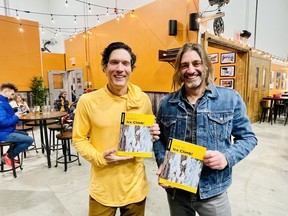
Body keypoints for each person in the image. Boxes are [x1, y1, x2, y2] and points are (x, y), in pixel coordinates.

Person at [153, 43, 257, 216]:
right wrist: (162, 162)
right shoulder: (166, 103)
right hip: (177, 191)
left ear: (207, 66)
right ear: (179, 71)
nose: (190, 70)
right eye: (184, 65)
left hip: (213, 192)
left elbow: (248, 138)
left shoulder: (229, 99)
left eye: (196, 63)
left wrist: (226, 157)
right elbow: (158, 139)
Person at [72, 42, 160, 216]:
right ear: (104, 67)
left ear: (131, 69)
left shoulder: (142, 99)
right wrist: (99, 157)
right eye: (114, 62)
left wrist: (153, 133)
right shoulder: (87, 101)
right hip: (103, 189)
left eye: (125, 63)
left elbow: (147, 134)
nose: (120, 68)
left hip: (135, 187)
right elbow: (78, 138)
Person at [0, 83, 33, 167]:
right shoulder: (1, 103)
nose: (13, 96)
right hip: (3, 134)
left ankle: (7, 155)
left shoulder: (4, 101)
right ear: (5, 91)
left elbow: (6, 115)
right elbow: (2, 122)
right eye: (12, 94)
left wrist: (15, 114)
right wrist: (16, 116)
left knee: (25, 134)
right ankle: (9, 156)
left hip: (7, 130)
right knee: (29, 140)